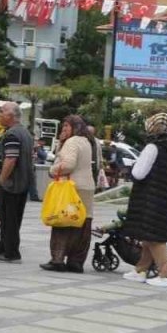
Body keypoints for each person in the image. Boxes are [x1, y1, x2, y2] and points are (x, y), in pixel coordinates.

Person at [122, 112, 167, 288]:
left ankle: (165, 275)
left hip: (151, 198)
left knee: (155, 238)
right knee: (149, 236)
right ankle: (140, 270)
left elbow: (138, 173)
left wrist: (132, 167)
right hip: (166, 197)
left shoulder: (153, 147)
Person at [42, 115, 95, 273]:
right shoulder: (87, 141)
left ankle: (57, 259)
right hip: (87, 186)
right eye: (63, 126)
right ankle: (76, 261)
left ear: (74, 127)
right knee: (83, 223)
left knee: (63, 221)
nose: (64, 129)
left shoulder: (72, 142)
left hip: (71, 187)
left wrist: (52, 170)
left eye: (67, 126)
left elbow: (68, 164)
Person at [0, 102, 33, 264]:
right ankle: (3, 246)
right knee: (11, 218)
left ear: (11, 116)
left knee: (9, 219)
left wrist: (1, 180)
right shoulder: (25, 132)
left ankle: (12, 253)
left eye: (2, 112)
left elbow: (11, 159)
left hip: (11, 184)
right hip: (23, 183)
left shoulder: (12, 134)